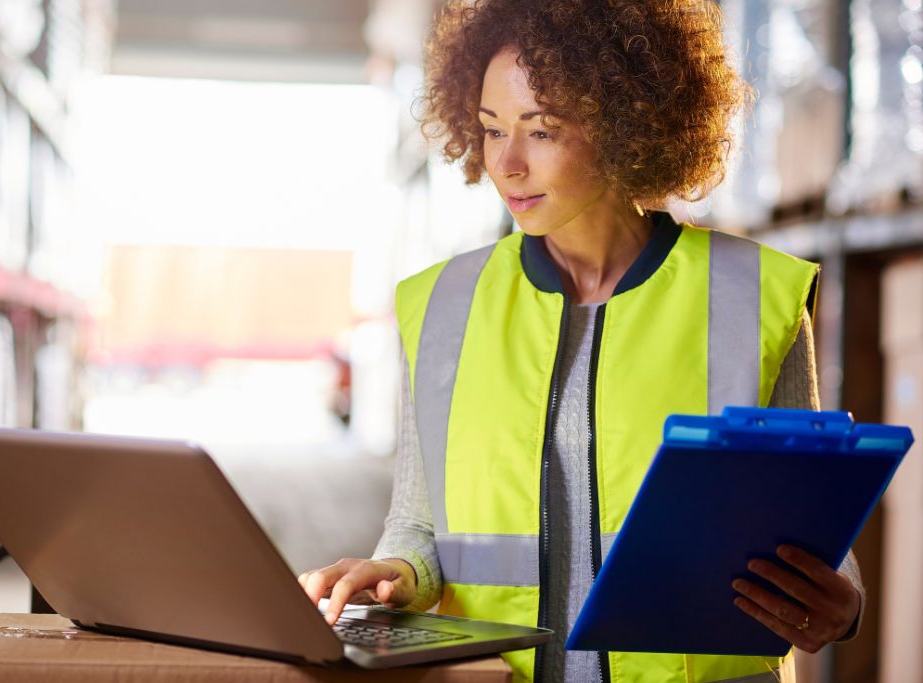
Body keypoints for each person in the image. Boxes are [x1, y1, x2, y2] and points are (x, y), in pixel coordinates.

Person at [298, 1, 864, 681]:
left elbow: (814, 520)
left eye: (540, 131)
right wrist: (388, 573)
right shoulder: (442, 306)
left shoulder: (752, 295)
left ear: (625, 122)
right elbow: (419, 527)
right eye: (489, 129)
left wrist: (845, 601)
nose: (506, 163)